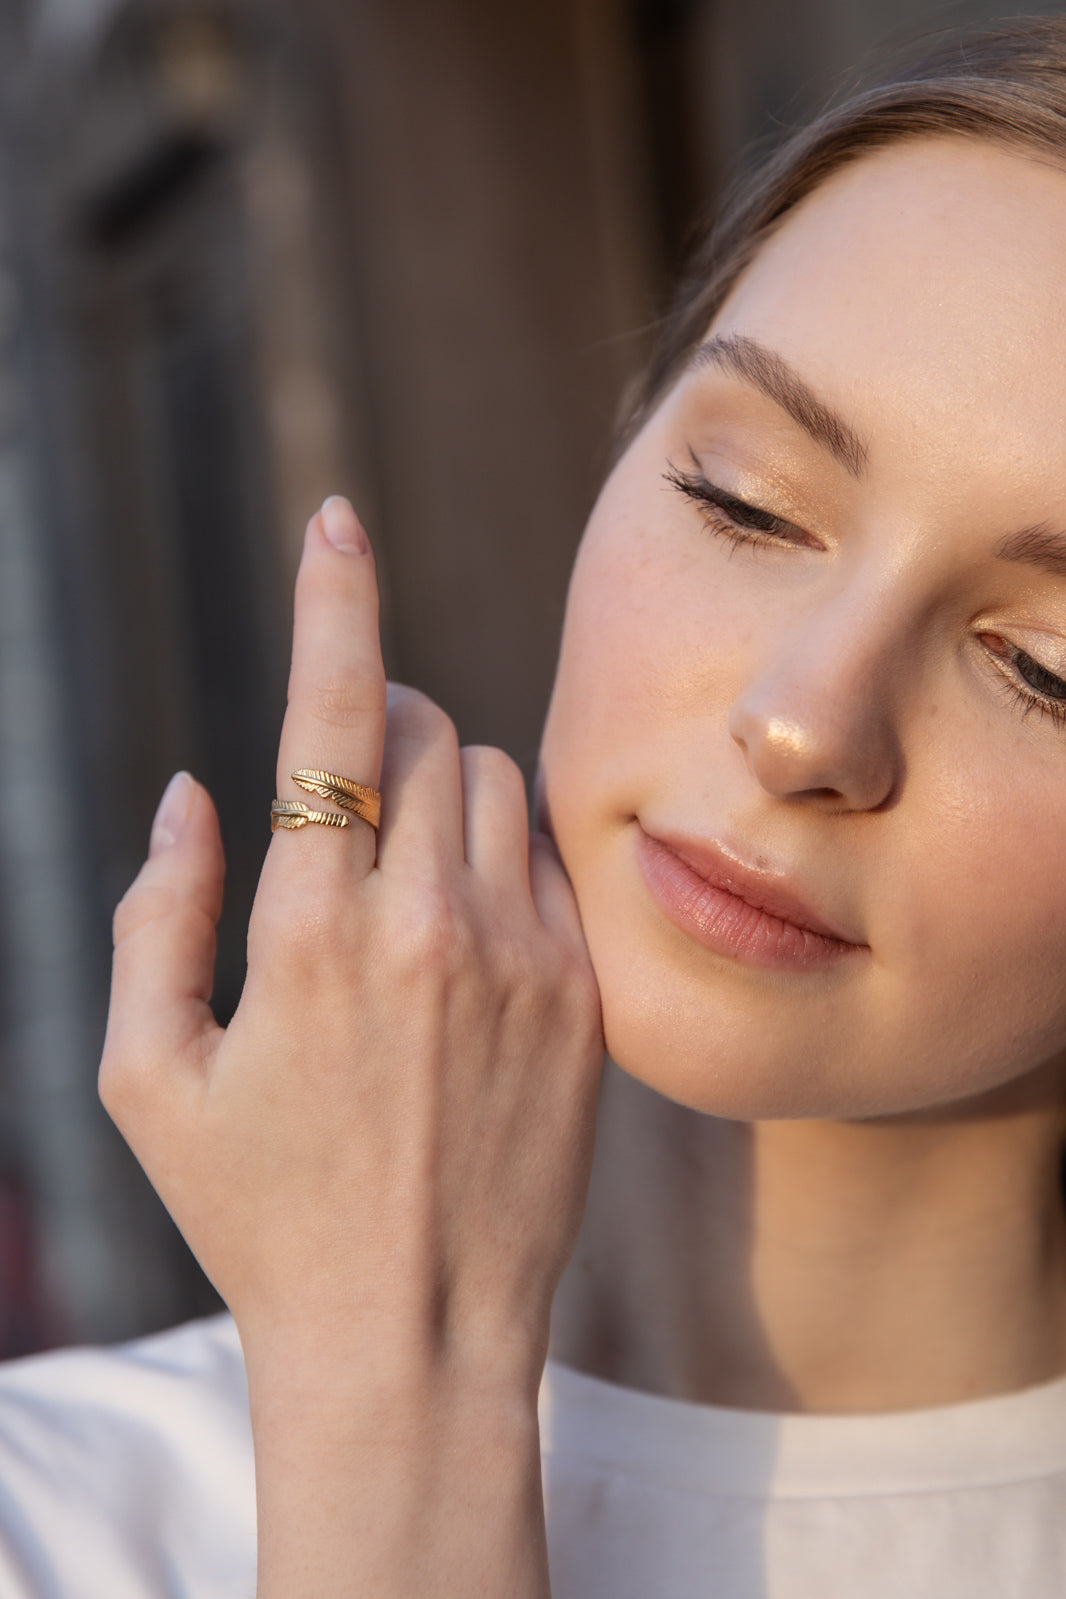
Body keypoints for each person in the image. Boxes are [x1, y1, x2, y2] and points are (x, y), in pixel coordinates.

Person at [4, 13, 1066, 1597]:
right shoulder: (57, 1518)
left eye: (1045, 667)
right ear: (625, 439)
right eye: (744, 502)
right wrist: (381, 1389)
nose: (799, 721)